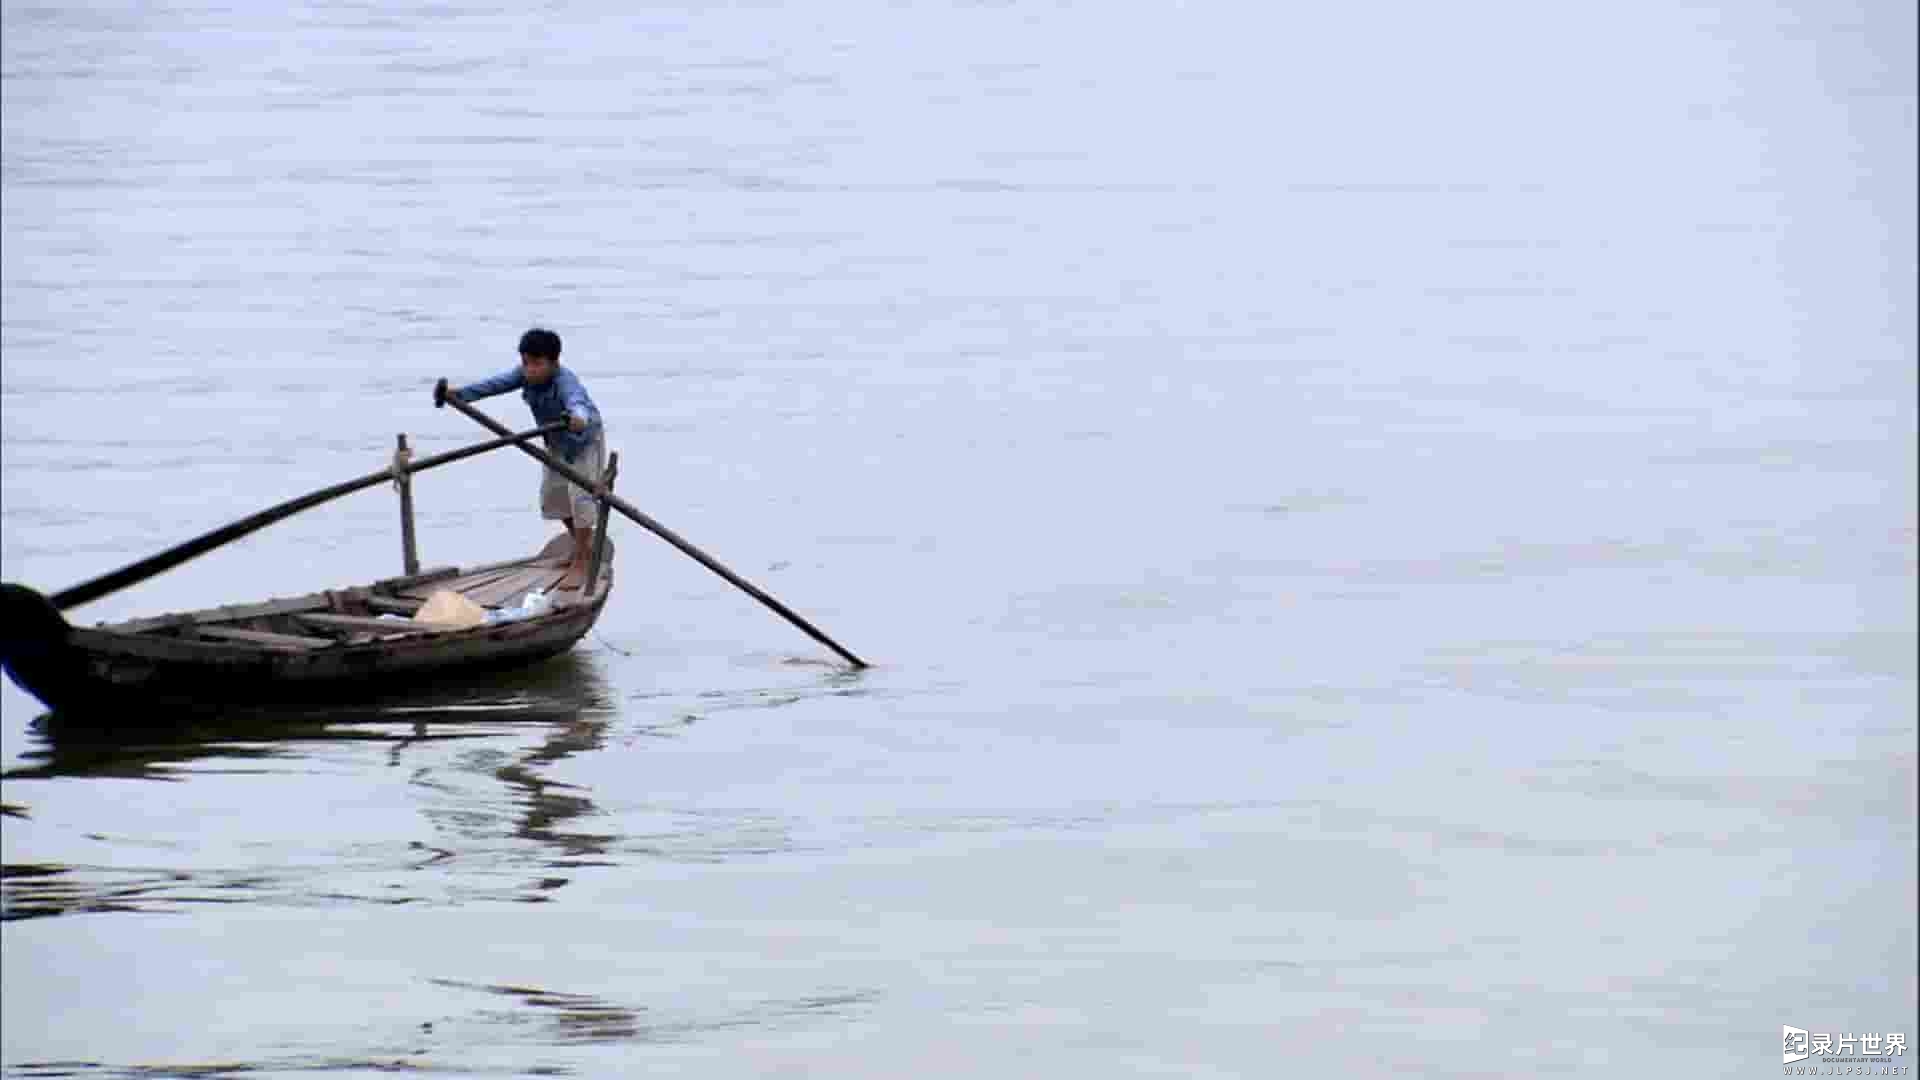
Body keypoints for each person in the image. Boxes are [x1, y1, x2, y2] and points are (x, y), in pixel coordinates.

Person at [437, 328, 606, 591]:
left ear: (554, 362)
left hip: (582, 442)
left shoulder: (565, 382)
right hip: (555, 442)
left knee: (580, 498)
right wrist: (458, 395)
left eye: (537, 364)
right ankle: (580, 547)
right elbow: (493, 385)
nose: (530, 370)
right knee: (555, 498)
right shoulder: (524, 375)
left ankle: (583, 561)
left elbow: (578, 402)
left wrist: (578, 420)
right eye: (526, 363)